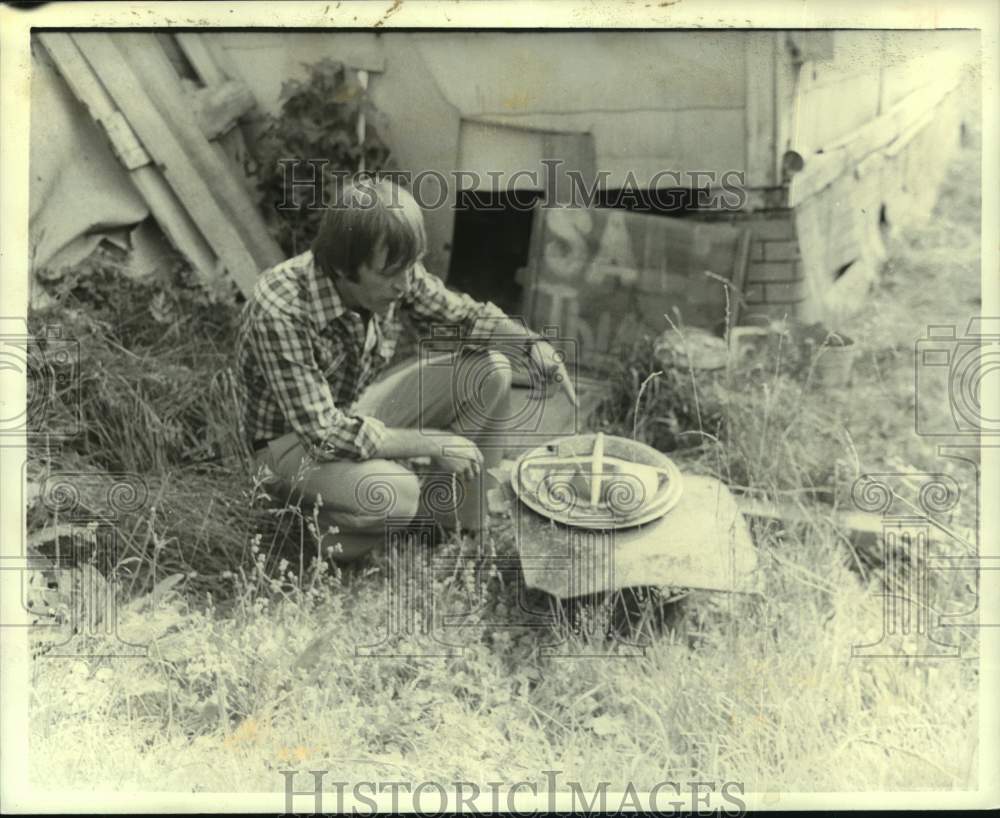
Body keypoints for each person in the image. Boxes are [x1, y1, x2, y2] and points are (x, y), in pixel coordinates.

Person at [236, 177, 574, 561]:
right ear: (344, 269)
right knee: (397, 493)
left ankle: (457, 531)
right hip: (288, 446)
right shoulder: (280, 309)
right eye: (388, 274)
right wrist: (431, 443)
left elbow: (462, 317)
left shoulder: (393, 272)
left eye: (409, 268)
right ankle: (299, 530)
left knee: (489, 370)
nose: (403, 285)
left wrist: (531, 346)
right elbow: (324, 434)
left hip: (349, 413)